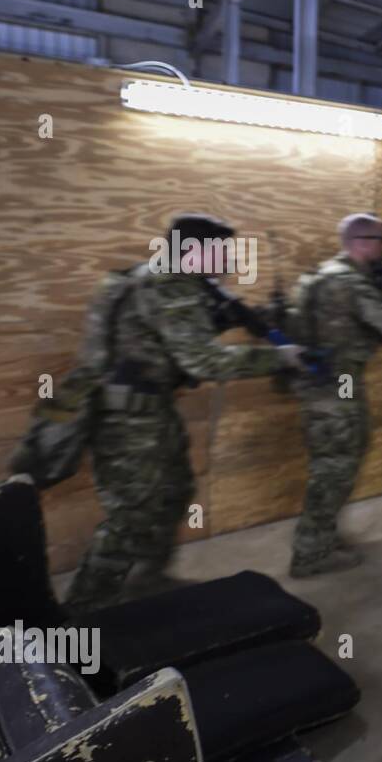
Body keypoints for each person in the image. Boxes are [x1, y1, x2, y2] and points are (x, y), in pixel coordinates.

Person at [59, 214, 307, 610]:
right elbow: (204, 363)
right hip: (128, 422)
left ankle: (149, 581)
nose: (229, 259)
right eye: (221, 251)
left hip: (148, 412)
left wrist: (222, 316)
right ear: (193, 252)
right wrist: (280, 357)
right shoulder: (169, 287)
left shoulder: (151, 278)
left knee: (175, 492)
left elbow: (161, 340)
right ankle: (81, 615)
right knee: (130, 517)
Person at [285, 213, 382, 578]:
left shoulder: (322, 275)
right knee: (334, 470)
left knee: (335, 466)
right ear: (362, 242)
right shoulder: (347, 283)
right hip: (334, 392)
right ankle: (309, 554)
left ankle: (321, 536)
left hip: (325, 386)